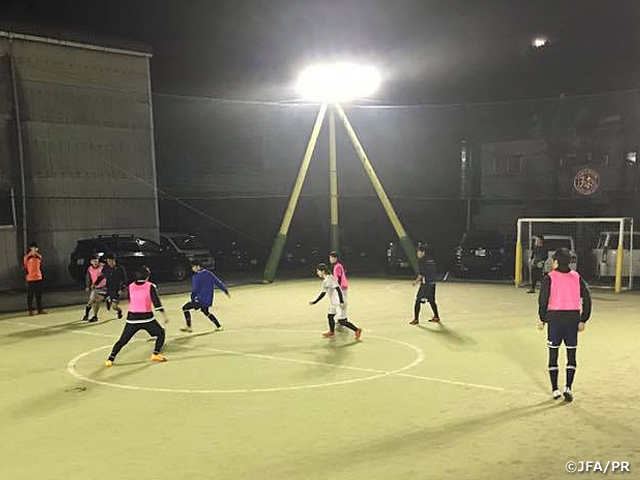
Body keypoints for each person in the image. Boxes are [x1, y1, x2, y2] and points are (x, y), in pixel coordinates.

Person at [538, 248, 592, 402]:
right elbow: (587, 298)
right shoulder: (576, 277)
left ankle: (555, 389)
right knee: (571, 355)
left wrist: (542, 318)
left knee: (553, 354)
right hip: (572, 319)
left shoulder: (549, 277)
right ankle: (568, 387)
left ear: (556, 261)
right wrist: (583, 319)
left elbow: (543, 300)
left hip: (555, 319)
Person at [105, 266, 169, 366]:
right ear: (147, 276)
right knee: (161, 333)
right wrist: (164, 316)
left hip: (132, 318)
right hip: (147, 318)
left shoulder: (130, 286)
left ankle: (110, 358)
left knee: (123, 340)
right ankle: (156, 354)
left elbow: (131, 299)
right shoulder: (150, 286)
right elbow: (157, 303)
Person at [310, 263, 362, 340]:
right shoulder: (325, 281)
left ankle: (357, 330)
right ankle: (331, 332)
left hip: (339, 302)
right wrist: (315, 302)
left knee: (341, 321)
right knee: (330, 316)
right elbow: (323, 293)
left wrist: (341, 301)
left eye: (318, 271)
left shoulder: (330, 278)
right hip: (334, 303)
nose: (317, 273)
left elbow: (338, 289)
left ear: (323, 271)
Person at [180, 260, 230, 333]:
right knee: (205, 311)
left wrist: (193, 298)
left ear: (198, 266)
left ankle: (189, 327)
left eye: (193, 267)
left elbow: (195, 290)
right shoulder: (209, 273)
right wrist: (225, 290)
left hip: (200, 299)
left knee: (185, 308)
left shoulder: (196, 276)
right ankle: (219, 326)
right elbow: (217, 282)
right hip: (208, 299)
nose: (192, 268)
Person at [410, 245, 440, 325]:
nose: (417, 254)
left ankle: (416, 319)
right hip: (432, 283)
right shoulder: (430, 260)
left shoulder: (422, 261)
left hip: (426, 284)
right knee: (431, 300)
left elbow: (421, 274)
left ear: (423, 252)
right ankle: (436, 317)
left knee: (418, 301)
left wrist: (415, 282)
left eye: (419, 252)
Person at [101, 254, 128, 319]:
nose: (109, 263)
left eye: (110, 261)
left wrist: (122, 289)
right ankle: (108, 299)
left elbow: (124, 279)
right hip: (108, 288)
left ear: (114, 260)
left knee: (114, 306)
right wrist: (95, 284)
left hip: (116, 289)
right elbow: (102, 275)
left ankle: (119, 311)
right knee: (96, 299)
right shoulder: (106, 268)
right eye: (108, 261)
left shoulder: (120, 268)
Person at [23, 242, 46, 315]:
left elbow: (40, 266)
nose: (35, 249)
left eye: (36, 248)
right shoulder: (27, 257)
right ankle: (30, 310)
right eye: (33, 248)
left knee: (38, 295)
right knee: (30, 295)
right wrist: (29, 274)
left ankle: (39, 310)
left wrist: (40, 275)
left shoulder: (39, 256)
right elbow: (25, 267)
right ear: (30, 248)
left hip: (38, 278)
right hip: (30, 279)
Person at [83, 256, 107, 322]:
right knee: (90, 301)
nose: (95, 262)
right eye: (93, 261)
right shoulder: (89, 269)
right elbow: (88, 278)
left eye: (96, 261)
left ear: (98, 260)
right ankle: (86, 315)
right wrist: (87, 286)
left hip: (104, 287)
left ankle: (95, 316)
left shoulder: (103, 267)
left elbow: (101, 276)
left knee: (97, 301)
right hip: (95, 288)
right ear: (91, 262)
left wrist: (95, 284)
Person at [329, 251, 348, 331]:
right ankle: (341, 318)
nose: (330, 259)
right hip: (341, 287)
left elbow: (339, 278)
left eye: (331, 258)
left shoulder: (337, 266)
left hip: (341, 287)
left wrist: (337, 287)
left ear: (335, 258)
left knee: (341, 302)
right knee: (340, 302)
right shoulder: (337, 266)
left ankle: (342, 319)